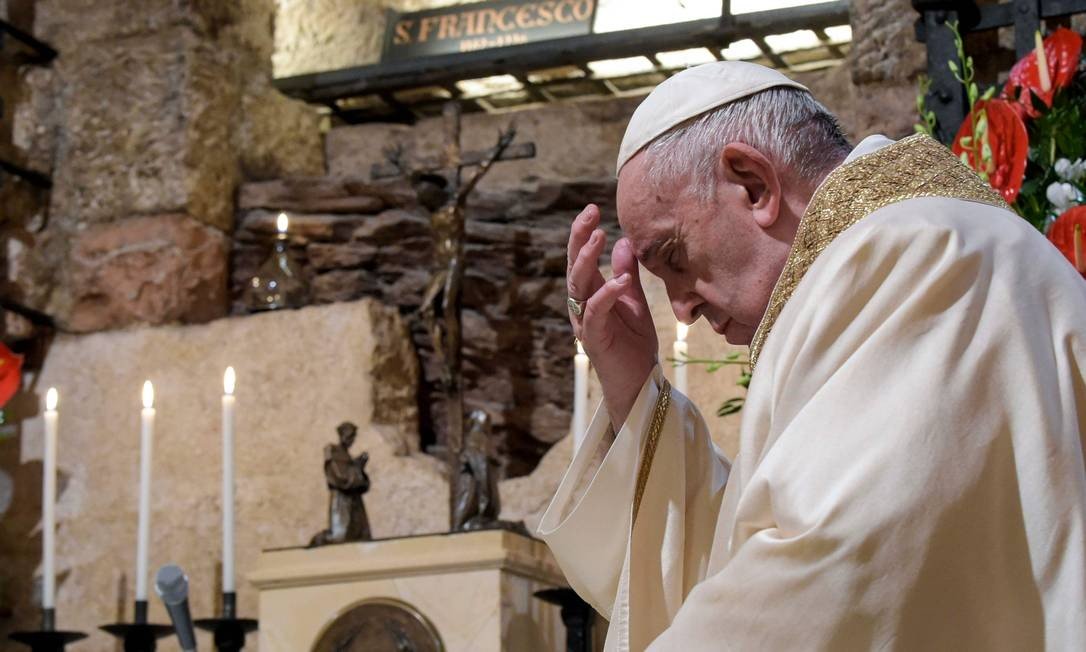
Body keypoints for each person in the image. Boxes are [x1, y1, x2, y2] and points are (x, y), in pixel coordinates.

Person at [538, 61, 1086, 650]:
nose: (682, 310)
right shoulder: (889, 260)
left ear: (752, 183)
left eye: (674, 257)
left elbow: (838, 568)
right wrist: (634, 392)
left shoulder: (924, 258)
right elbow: (749, 548)